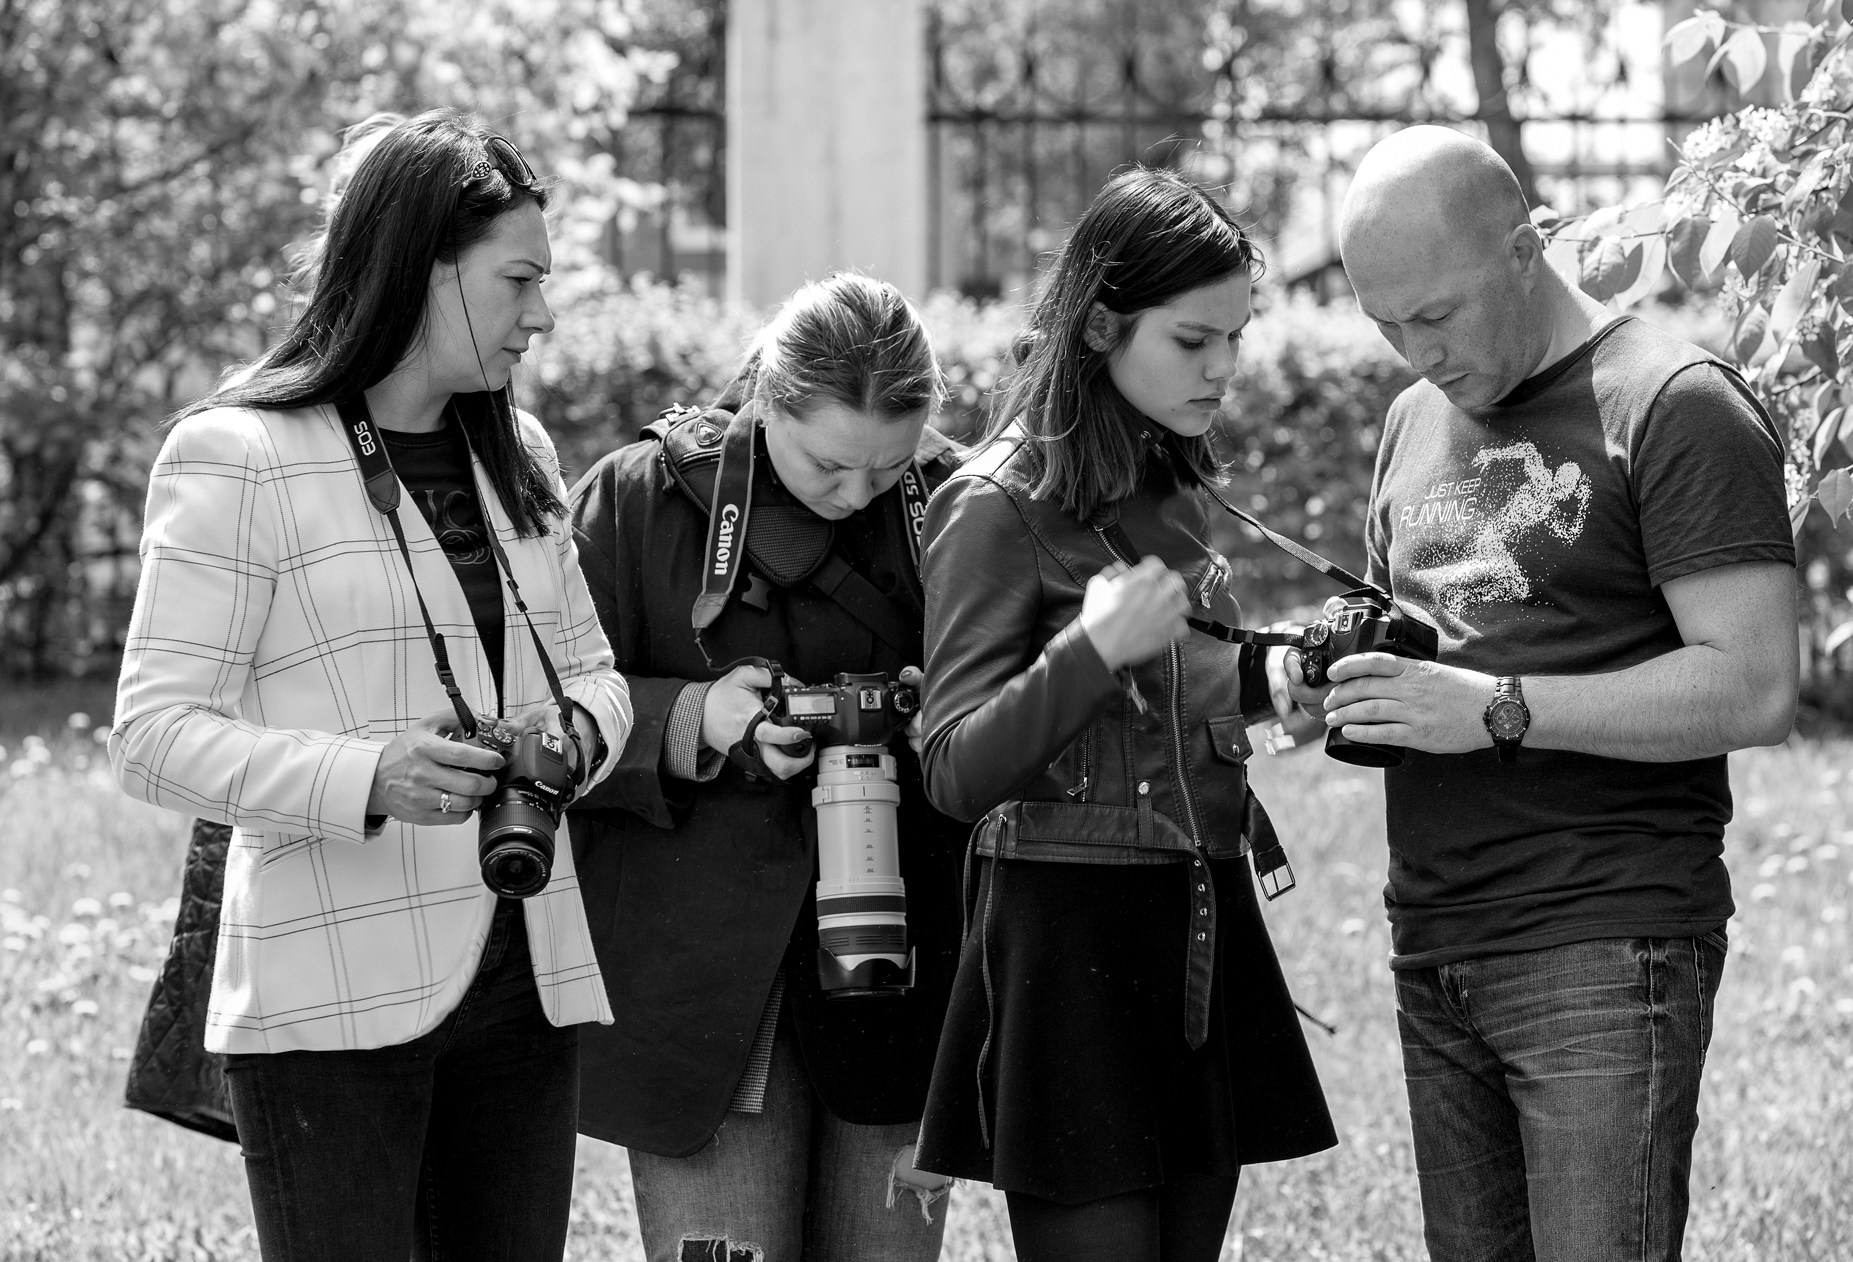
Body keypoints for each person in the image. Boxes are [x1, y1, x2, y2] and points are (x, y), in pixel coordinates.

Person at [109, 108, 633, 1262]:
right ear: (422, 267)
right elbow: (149, 735)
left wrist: (570, 737)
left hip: (523, 966)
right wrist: (369, 776)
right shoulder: (236, 453)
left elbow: (595, 674)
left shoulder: (522, 452)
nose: (542, 315)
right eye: (518, 281)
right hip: (329, 988)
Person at [1282, 124, 1798, 1261]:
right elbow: (1435, 646)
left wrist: (1496, 708)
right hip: (1432, 942)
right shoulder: (1411, 421)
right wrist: (1338, 681)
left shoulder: (1672, 401)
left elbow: (1754, 684)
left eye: (1435, 315)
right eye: (1383, 324)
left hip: (1603, 942)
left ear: (1522, 251)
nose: (1416, 352)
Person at [911, 167, 1337, 1262]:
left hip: (1199, 914)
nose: (1223, 367)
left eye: (1235, 337)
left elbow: (1166, 695)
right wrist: (1088, 651)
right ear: (1100, 324)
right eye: (1193, 340)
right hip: (1066, 939)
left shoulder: (1170, 488)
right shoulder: (990, 502)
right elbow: (952, 768)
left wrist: (1273, 680)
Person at [567, 272, 967, 1262]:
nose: (855, 494)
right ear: (764, 402)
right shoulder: (638, 498)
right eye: (828, 464)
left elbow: (1022, 708)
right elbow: (546, 713)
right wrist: (695, 716)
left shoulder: (954, 499)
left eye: (886, 467)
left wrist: (953, 715)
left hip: (906, 970)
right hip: (700, 989)